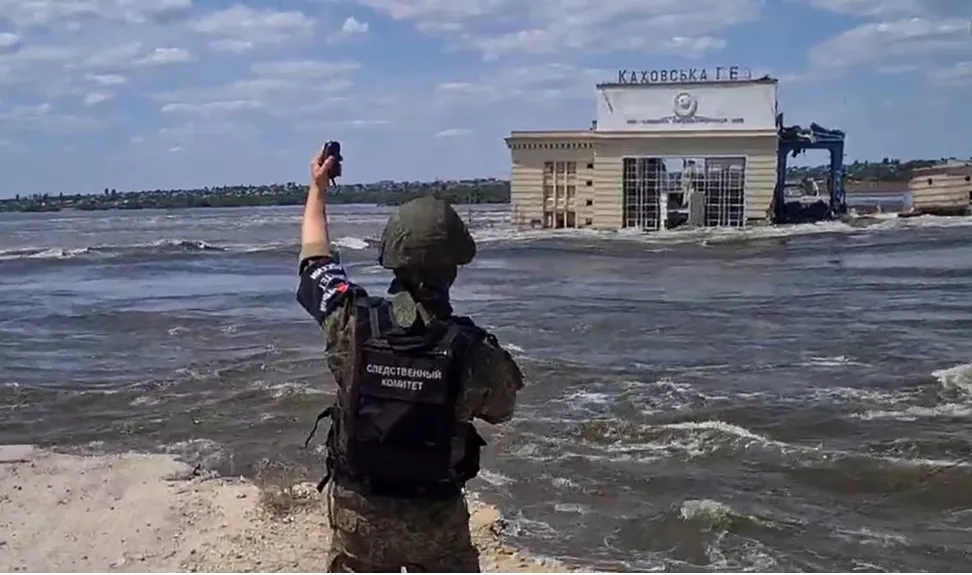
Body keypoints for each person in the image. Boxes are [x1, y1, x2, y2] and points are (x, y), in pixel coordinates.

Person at [296, 146, 524, 572]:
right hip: (435, 519)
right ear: (454, 267)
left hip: (357, 512)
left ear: (391, 258)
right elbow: (502, 409)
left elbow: (314, 260)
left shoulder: (350, 322)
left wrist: (318, 188)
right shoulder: (472, 350)